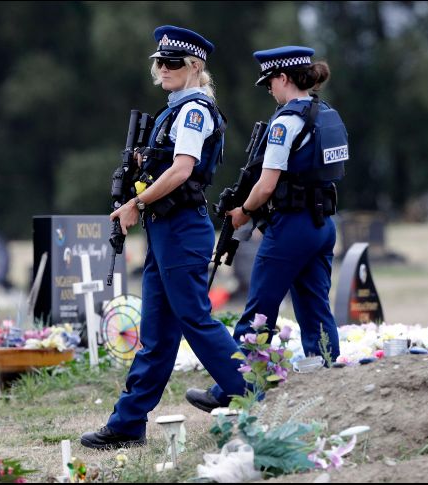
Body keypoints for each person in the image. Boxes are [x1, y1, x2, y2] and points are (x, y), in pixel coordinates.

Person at [80, 25, 246, 450]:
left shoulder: (194, 111)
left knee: (195, 320)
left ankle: (254, 394)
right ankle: (127, 423)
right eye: (160, 62)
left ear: (195, 66)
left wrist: (136, 203)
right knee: (156, 335)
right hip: (166, 230)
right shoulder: (176, 110)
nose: (163, 68)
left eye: (173, 62)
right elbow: (167, 165)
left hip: (181, 228)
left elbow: (183, 169)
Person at [186, 45, 349, 413]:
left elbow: (266, 185)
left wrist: (243, 211)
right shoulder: (326, 114)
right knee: (315, 308)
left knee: (259, 311)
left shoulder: (285, 122)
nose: (270, 91)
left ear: (283, 78)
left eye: (270, 83)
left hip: (291, 227)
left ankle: (231, 388)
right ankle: (330, 384)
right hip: (324, 224)